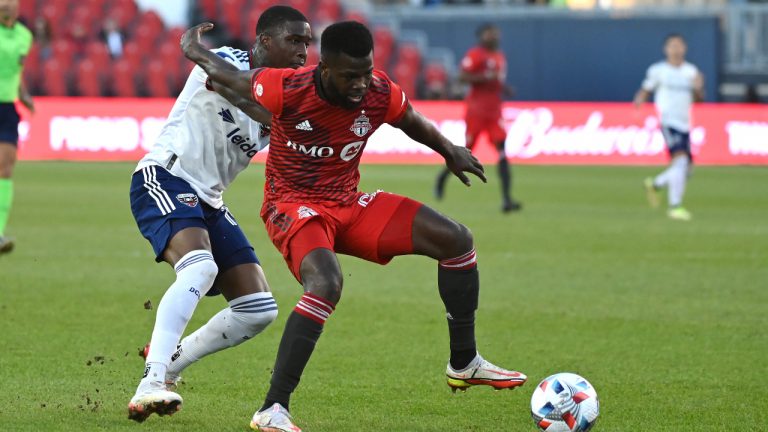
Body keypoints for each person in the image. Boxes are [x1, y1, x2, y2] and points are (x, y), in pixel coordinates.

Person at [182, 20, 527, 432]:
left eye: (366, 72)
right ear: (324, 68)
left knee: (456, 240)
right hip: (292, 206)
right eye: (350, 76)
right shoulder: (288, 86)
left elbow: (410, 118)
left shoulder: (378, 90)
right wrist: (194, 49)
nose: (361, 84)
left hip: (347, 203)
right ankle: (272, 408)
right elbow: (229, 76)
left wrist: (449, 150)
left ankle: (464, 363)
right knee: (326, 283)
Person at [127, 6, 312, 422]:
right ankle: (150, 382)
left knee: (259, 308)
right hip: (167, 176)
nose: (304, 51)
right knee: (198, 270)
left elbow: (277, 119)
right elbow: (236, 89)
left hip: (209, 199)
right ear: (265, 41)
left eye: (307, 42)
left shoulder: (287, 97)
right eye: (295, 40)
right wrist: (194, 49)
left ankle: (171, 363)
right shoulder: (230, 61)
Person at [434, 23, 521, 213]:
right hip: (476, 110)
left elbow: (496, 80)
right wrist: (484, 76)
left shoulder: (499, 56)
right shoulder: (475, 55)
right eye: (490, 33)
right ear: (482, 36)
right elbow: (462, 76)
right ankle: (442, 178)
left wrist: (505, 89)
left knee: (502, 151)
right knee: (467, 151)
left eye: (496, 33)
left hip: (494, 110)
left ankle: (507, 199)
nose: (494, 36)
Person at [634, 33, 704, 221]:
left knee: (687, 169)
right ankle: (675, 206)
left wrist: (698, 88)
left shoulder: (690, 71)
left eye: (679, 45)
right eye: (672, 46)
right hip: (668, 121)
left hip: (685, 122)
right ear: (666, 49)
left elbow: (699, 100)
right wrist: (639, 101)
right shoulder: (659, 70)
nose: (676, 49)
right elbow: (646, 89)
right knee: (680, 161)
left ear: (684, 48)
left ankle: (656, 184)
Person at [0, 0, 33, 255]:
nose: (6, 5)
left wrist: (23, 93)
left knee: (6, 167)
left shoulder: (24, 36)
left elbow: (15, 71)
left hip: (8, 108)